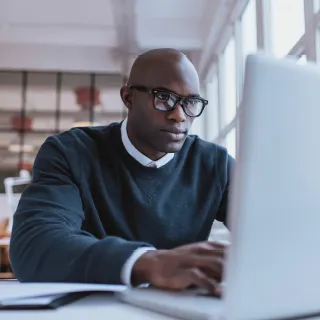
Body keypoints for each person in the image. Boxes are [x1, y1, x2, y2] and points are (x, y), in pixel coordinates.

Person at [9, 48, 234, 296]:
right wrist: (147, 263)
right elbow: (34, 246)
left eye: (191, 102)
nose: (179, 115)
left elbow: (273, 232)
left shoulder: (215, 164)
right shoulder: (71, 153)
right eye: (164, 98)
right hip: (92, 308)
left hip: (180, 309)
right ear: (128, 97)